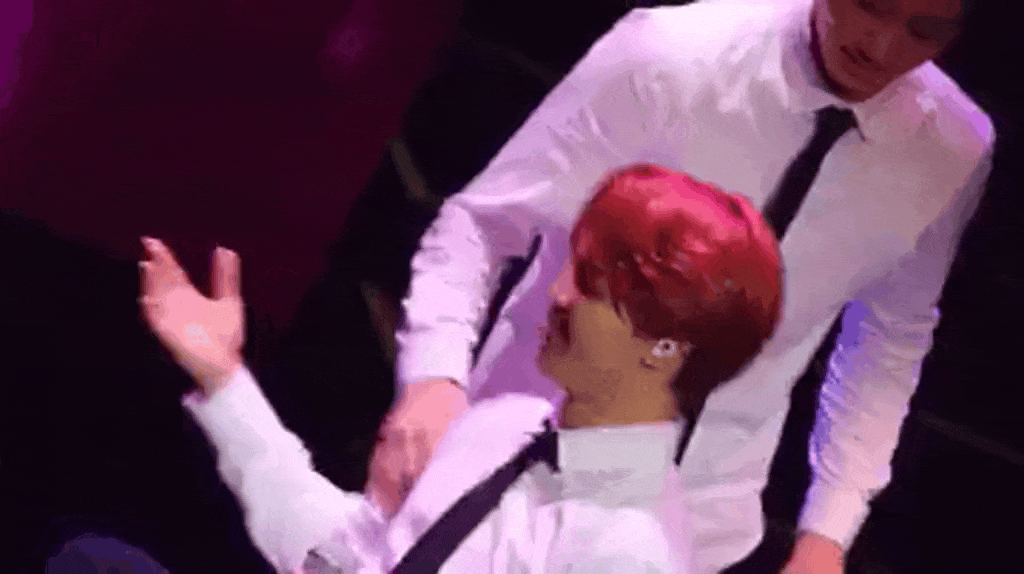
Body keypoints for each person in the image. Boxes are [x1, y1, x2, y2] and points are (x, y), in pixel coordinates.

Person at [367, 0, 995, 572]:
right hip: (515, 470)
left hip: (705, 522)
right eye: (870, 6)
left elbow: (890, 339)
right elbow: (485, 223)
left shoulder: (953, 148)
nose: (881, 45)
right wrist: (432, 380)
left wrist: (827, 533)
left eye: (924, 30)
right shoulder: (672, 54)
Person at [137, 163, 783, 573]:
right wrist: (224, 378)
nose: (559, 294)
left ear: (664, 346)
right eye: (573, 265)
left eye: (591, 284)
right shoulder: (505, 425)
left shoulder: (627, 551)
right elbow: (344, 559)